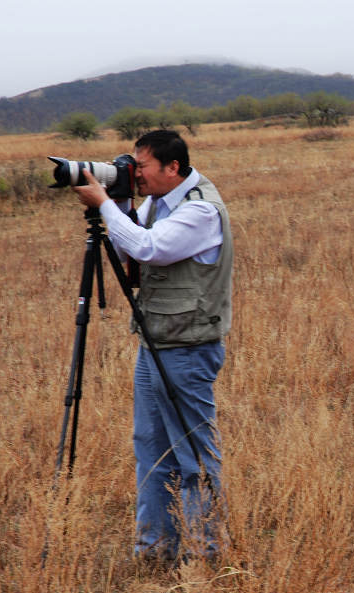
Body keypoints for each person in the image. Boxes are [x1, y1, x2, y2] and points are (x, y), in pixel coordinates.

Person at [74, 129, 232, 565]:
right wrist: (121, 203)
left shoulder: (200, 209)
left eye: (141, 167)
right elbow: (135, 246)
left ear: (172, 167)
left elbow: (147, 247)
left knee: (194, 456)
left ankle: (205, 557)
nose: (135, 174)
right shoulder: (160, 201)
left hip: (188, 345)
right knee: (150, 446)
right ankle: (155, 551)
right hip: (156, 340)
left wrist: (104, 205)